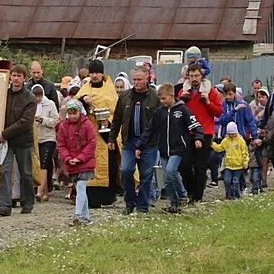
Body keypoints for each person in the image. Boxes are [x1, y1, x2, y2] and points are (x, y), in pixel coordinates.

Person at [113, 66, 159, 214]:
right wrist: (111, 138)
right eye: (134, 79)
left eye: (139, 79)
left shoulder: (155, 97)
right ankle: (129, 202)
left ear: (147, 79)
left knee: (146, 175)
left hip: (149, 143)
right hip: (129, 141)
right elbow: (117, 119)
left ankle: (142, 206)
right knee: (126, 170)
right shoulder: (125, 96)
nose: (136, 82)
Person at [0, 64, 37, 217]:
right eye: (14, 75)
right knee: (4, 171)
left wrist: (5, 133)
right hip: (6, 142)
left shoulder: (30, 98)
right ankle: (4, 205)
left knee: (25, 173)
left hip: (22, 141)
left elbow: (25, 122)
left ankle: (27, 202)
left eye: (19, 76)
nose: (16, 78)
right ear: (10, 76)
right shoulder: (4, 95)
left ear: (24, 78)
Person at [178, 59, 222, 200]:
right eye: (191, 76)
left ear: (201, 76)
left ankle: (197, 197)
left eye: (196, 76)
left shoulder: (211, 91)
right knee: (184, 165)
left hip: (205, 132)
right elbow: (176, 110)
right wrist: (182, 101)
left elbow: (219, 112)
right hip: (187, 132)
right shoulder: (183, 91)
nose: (194, 79)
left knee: (200, 167)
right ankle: (191, 190)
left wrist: (208, 102)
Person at [76, 60, 120, 202]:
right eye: (92, 73)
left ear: (102, 73)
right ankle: (89, 196)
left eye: (97, 73)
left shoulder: (109, 89)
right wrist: (83, 99)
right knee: (88, 162)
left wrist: (108, 121)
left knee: (108, 164)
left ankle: (107, 196)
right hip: (88, 133)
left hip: (106, 133)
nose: (94, 76)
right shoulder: (85, 88)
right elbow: (75, 105)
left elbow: (115, 110)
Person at [156, 82, 202, 213]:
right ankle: (174, 203)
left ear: (172, 96)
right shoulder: (160, 112)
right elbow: (151, 129)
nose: (161, 101)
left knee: (171, 171)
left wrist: (199, 138)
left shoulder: (182, 110)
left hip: (179, 148)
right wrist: (141, 145)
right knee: (166, 177)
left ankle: (183, 195)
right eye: (160, 99)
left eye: (164, 98)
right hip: (164, 149)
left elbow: (195, 124)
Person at [56, 99, 97, 225]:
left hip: (85, 161)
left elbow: (92, 143)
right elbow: (61, 145)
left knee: (80, 186)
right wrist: (68, 158)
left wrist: (81, 158)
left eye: (75, 113)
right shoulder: (64, 126)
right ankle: (86, 217)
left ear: (80, 112)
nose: (72, 116)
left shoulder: (87, 124)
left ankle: (78, 214)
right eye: (70, 113)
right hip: (72, 162)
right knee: (80, 189)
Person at [32, 83, 60, 202]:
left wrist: (43, 120)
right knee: (38, 164)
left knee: (43, 163)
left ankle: (39, 191)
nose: (38, 98)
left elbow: (55, 120)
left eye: (40, 96)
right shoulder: (30, 104)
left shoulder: (50, 104)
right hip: (34, 138)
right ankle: (45, 192)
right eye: (35, 96)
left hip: (48, 138)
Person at [212, 121, 249, 199]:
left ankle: (236, 196)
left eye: (233, 134)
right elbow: (220, 148)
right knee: (227, 181)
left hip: (238, 166)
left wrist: (245, 161)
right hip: (228, 165)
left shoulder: (241, 141)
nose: (231, 135)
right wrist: (212, 144)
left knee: (235, 182)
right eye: (230, 134)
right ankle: (228, 195)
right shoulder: (226, 140)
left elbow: (245, 152)